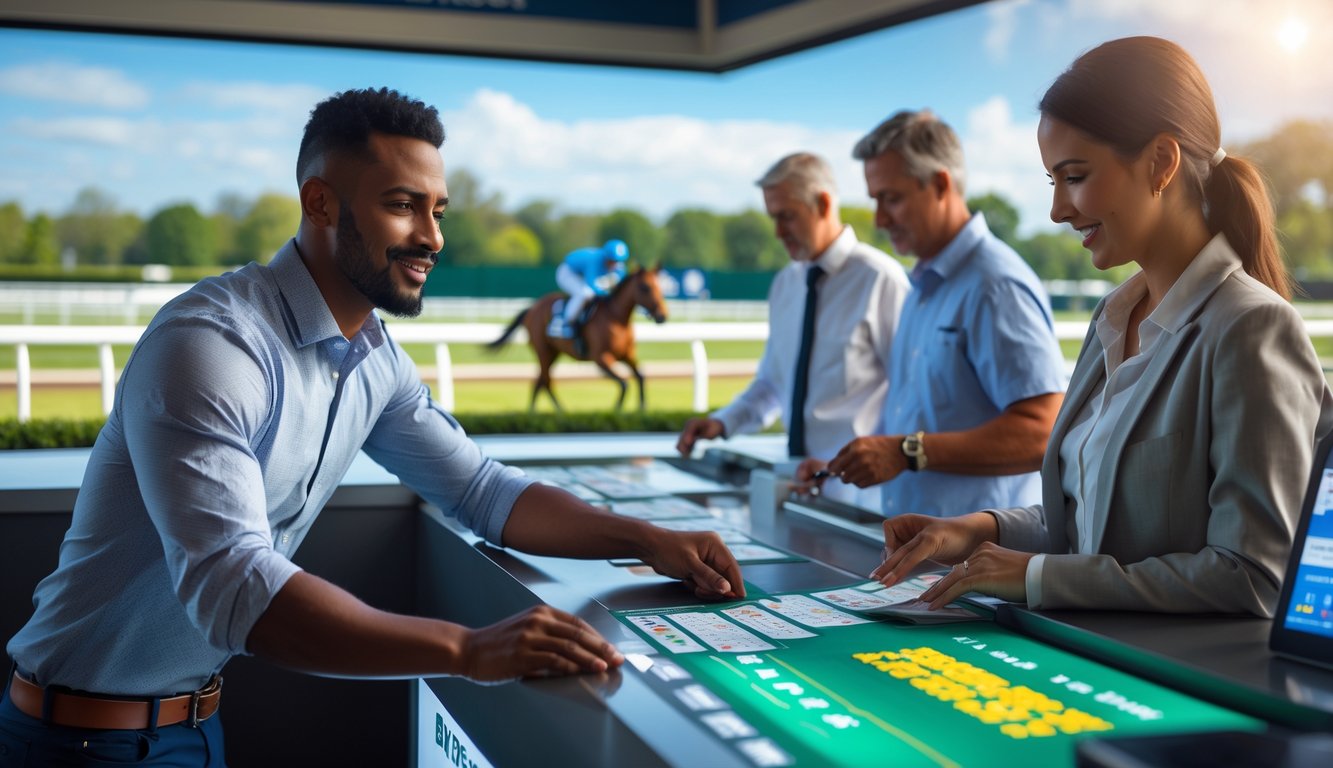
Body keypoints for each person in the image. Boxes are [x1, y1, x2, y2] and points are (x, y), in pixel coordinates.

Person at [0, 88, 742, 765]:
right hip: (76, 741)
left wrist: (644, 540)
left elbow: (483, 490)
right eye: (402, 205)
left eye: (438, 211)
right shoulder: (210, 343)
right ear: (320, 203)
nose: (433, 238)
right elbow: (232, 585)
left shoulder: (375, 358)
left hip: (190, 725)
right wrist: (464, 649)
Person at [873, 36, 1333, 617]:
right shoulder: (1112, 319)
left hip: (1177, 691)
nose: (1058, 210)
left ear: (1162, 163)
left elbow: (1253, 577)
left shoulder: (1251, 328)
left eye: (1075, 176)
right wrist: (978, 531)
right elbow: (1098, 524)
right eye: (1053, 182)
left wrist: (1037, 576)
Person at [800, 110, 1066, 518]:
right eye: (876, 200)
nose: (879, 219)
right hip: (928, 559)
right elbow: (919, 429)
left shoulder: (994, 285)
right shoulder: (924, 285)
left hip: (981, 565)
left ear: (941, 184)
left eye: (892, 198)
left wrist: (907, 452)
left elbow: (1043, 432)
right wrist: (845, 470)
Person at [676, 152, 910, 509]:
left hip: (865, 501)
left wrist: (857, 463)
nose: (778, 232)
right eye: (773, 218)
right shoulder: (786, 284)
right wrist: (722, 423)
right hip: (796, 493)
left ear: (823, 203)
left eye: (786, 216)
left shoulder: (881, 280)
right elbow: (772, 384)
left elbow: (910, 398)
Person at [553, 238, 629, 341]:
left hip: (582, 274)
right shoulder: (595, 260)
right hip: (567, 272)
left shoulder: (618, 265)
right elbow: (592, 285)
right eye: (612, 261)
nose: (614, 264)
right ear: (606, 257)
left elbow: (621, 282)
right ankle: (566, 322)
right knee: (585, 294)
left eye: (617, 262)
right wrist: (607, 294)